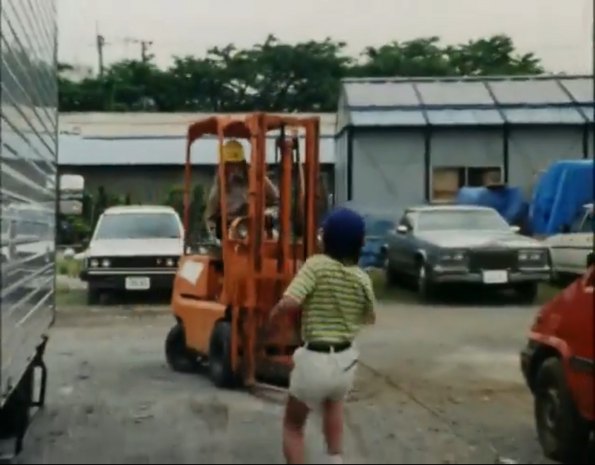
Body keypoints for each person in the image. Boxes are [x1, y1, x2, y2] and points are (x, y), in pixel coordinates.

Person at [269, 207, 377, 464]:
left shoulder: (316, 265)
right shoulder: (362, 278)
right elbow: (369, 316)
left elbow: (291, 301)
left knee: (293, 425)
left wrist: (272, 319)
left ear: (326, 238)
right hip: (346, 362)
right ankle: (335, 461)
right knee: (334, 406)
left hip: (315, 359)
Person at [204, 139, 279, 238]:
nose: (234, 168)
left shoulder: (257, 178)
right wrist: (218, 235)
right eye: (230, 164)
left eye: (237, 163)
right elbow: (210, 218)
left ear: (242, 162)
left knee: (273, 237)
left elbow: (276, 202)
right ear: (224, 165)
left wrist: (267, 214)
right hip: (233, 232)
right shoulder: (219, 186)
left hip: (258, 228)